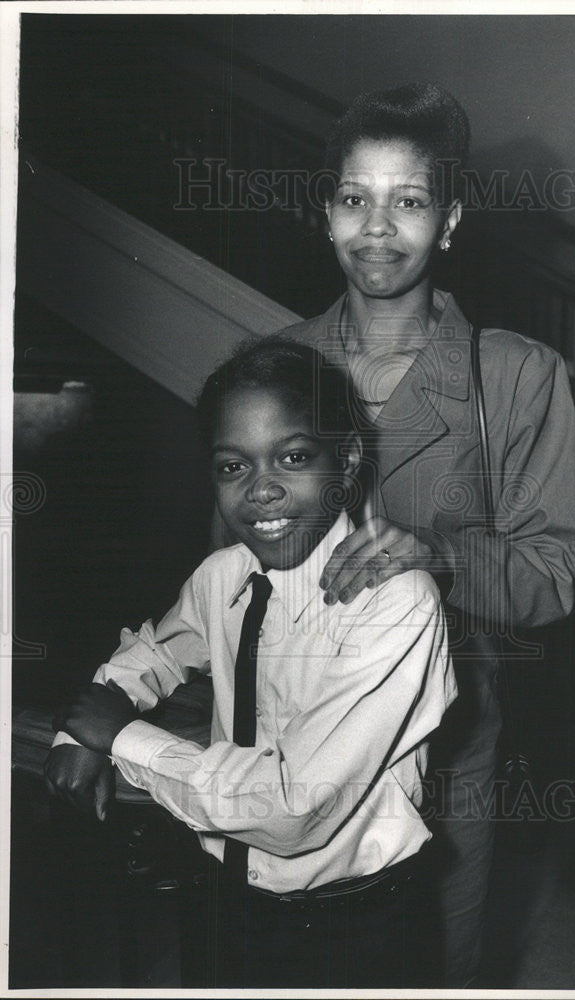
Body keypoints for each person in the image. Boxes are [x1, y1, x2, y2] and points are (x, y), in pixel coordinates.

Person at [270, 82, 575, 987]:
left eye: (407, 202)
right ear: (325, 211)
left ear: (448, 221)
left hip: (447, 758)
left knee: (430, 968)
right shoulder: (269, 369)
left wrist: (444, 557)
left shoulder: (518, 377)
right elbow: (223, 578)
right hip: (290, 751)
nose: (377, 229)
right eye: (353, 199)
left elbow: (561, 570)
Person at [44, 337, 457, 988]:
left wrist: (120, 738)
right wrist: (81, 729)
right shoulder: (222, 576)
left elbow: (294, 809)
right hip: (222, 898)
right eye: (232, 466)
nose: (261, 490)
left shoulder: (395, 601)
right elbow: (157, 652)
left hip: (354, 927)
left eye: (292, 458)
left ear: (346, 461)